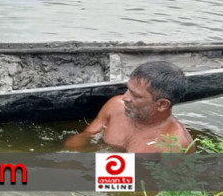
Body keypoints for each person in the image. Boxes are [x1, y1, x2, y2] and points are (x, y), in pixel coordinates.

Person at [65, 61, 194, 153]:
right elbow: (86, 135)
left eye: (136, 96)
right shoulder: (115, 106)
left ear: (161, 104)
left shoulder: (175, 145)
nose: (125, 98)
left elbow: (164, 188)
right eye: (128, 89)